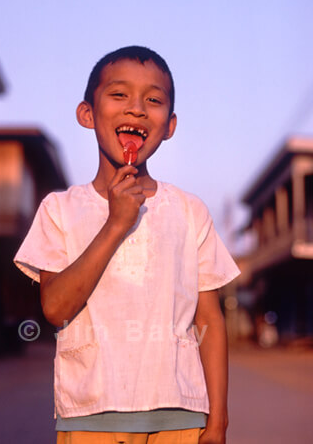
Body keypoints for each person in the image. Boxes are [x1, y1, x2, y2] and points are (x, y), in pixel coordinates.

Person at [14, 46, 240, 444]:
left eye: (153, 100)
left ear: (169, 125)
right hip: (90, 415)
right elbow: (55, 307)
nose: (136, 109)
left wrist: (217, 421)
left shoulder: (188, 211)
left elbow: (210, 319)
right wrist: (116, 223)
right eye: (119, 95)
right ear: (87, 114)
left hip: (181, 415)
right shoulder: (59, 210)